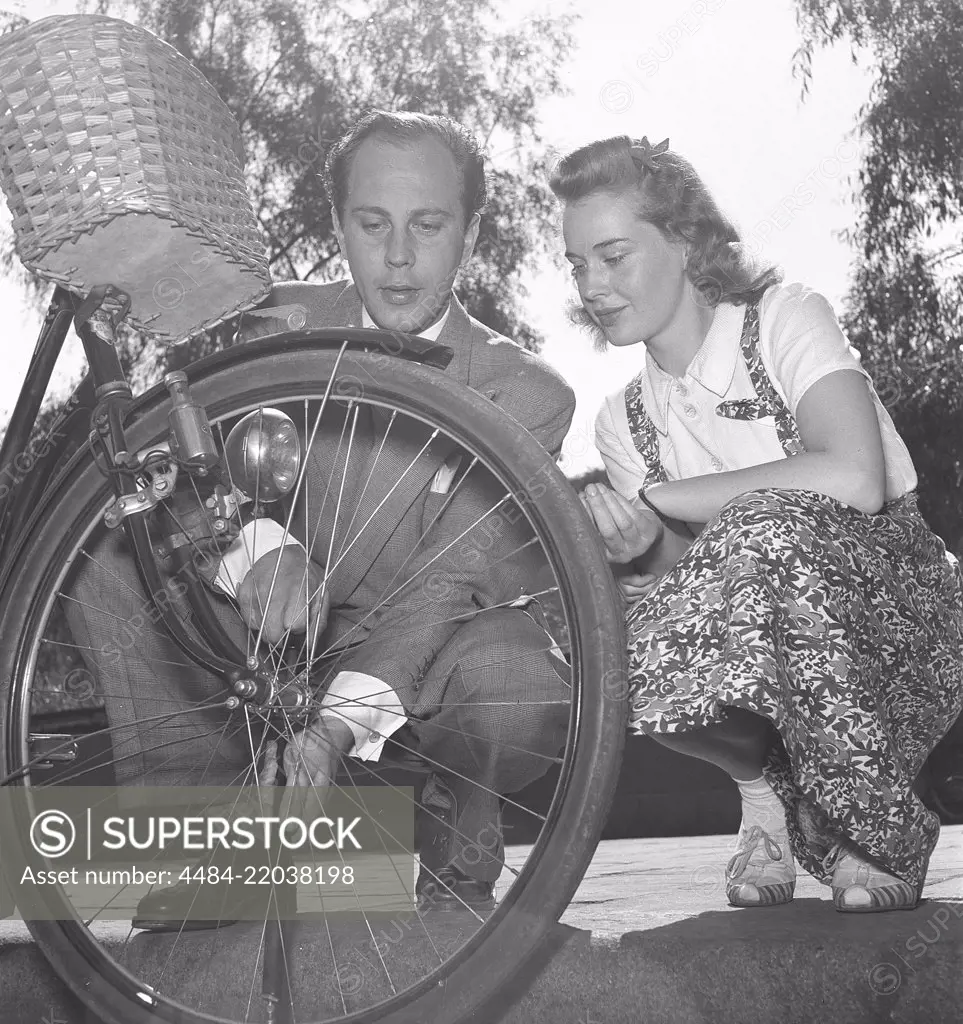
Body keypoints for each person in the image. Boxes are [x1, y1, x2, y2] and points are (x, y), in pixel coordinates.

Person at [64, 110, 574, 927]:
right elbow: (171, 477)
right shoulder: (267, 327)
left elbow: (446, 579)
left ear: (472, 233)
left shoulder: (528, 394)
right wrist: (255, 548)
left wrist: (331, 732)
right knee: (107, 559)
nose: (399, 256)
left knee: (517, 687)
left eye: (429, 225)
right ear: (339, 224)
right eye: (372, 224)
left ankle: (450, 808)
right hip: (269, 633)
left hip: (432, 641)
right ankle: (209, 845)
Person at [550, 133, 963, 913]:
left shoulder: (784, 318)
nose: (592, 285)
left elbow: (854, 477)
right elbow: (695, 595)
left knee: (772, 523)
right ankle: (764, 798)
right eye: (577, 264)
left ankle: (879, 830)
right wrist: (641, 552)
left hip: (907, 619)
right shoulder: (622, 420)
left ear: (683, 240)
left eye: (611, 256)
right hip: (774, 637)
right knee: (599, 640)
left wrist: (662, 502)